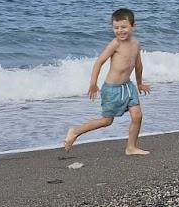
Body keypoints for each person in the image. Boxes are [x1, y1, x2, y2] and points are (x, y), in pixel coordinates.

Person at [63, 8, 152, 155]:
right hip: (112, 89)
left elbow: (138, 65)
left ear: (133, 26)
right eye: (116, 27)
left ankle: (131, 147)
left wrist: (140, 82)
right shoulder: (114, 44)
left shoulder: (136, 44)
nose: (119, 31)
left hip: (128, 87)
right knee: (106, 121)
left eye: (123, 27)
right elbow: (99, 62)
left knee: (137, 116)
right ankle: (75, 132)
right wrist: (93, 83)